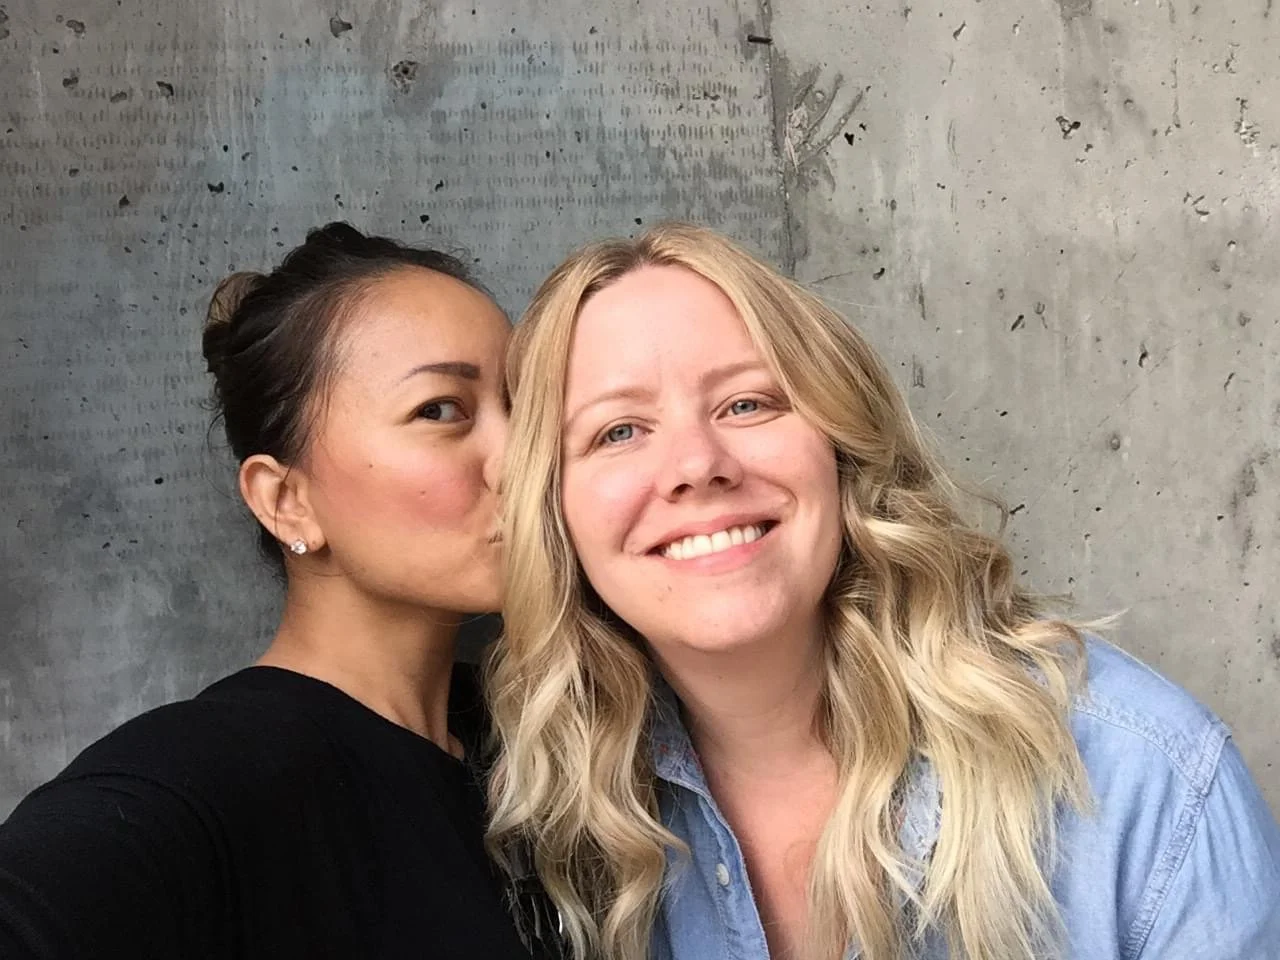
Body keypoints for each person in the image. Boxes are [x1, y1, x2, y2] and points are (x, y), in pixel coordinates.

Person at [485, 222, 1280, 960]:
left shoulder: (1140, 774)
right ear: (550, 509)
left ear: (839, 448)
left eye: (748, 402)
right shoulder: (555, 814)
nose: (698, 463)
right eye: (618, 431)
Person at [0, 222, 552, 959]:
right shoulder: (205, 777)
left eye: (525, 407)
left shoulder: (533, 733)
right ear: (286, 500)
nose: (524, 460)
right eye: (440, 409)